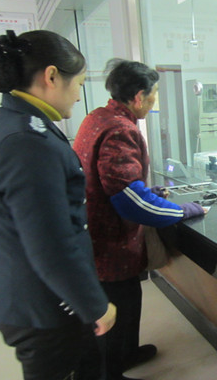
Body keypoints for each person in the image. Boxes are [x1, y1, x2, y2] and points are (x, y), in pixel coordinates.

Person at [0, 30, 116, 380]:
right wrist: (94, 305)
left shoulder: (6, 122)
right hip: (42, 305)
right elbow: (49, 243)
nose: (79, 96)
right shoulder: (27, 142)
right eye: (79, 83)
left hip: (37, 293)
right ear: (51, 76)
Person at [73, 59, 205, 380]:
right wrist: (184, 211)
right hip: (110, 243)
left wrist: (146, 190)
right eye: (153, 93)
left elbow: (113, 182)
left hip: (96, 235)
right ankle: (112, 371)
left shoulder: (97, 117)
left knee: (129, 298)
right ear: (138, 96)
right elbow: (129, 201)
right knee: (118, 305)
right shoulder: (121, 129)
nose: (154, 100)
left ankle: (127, 354)